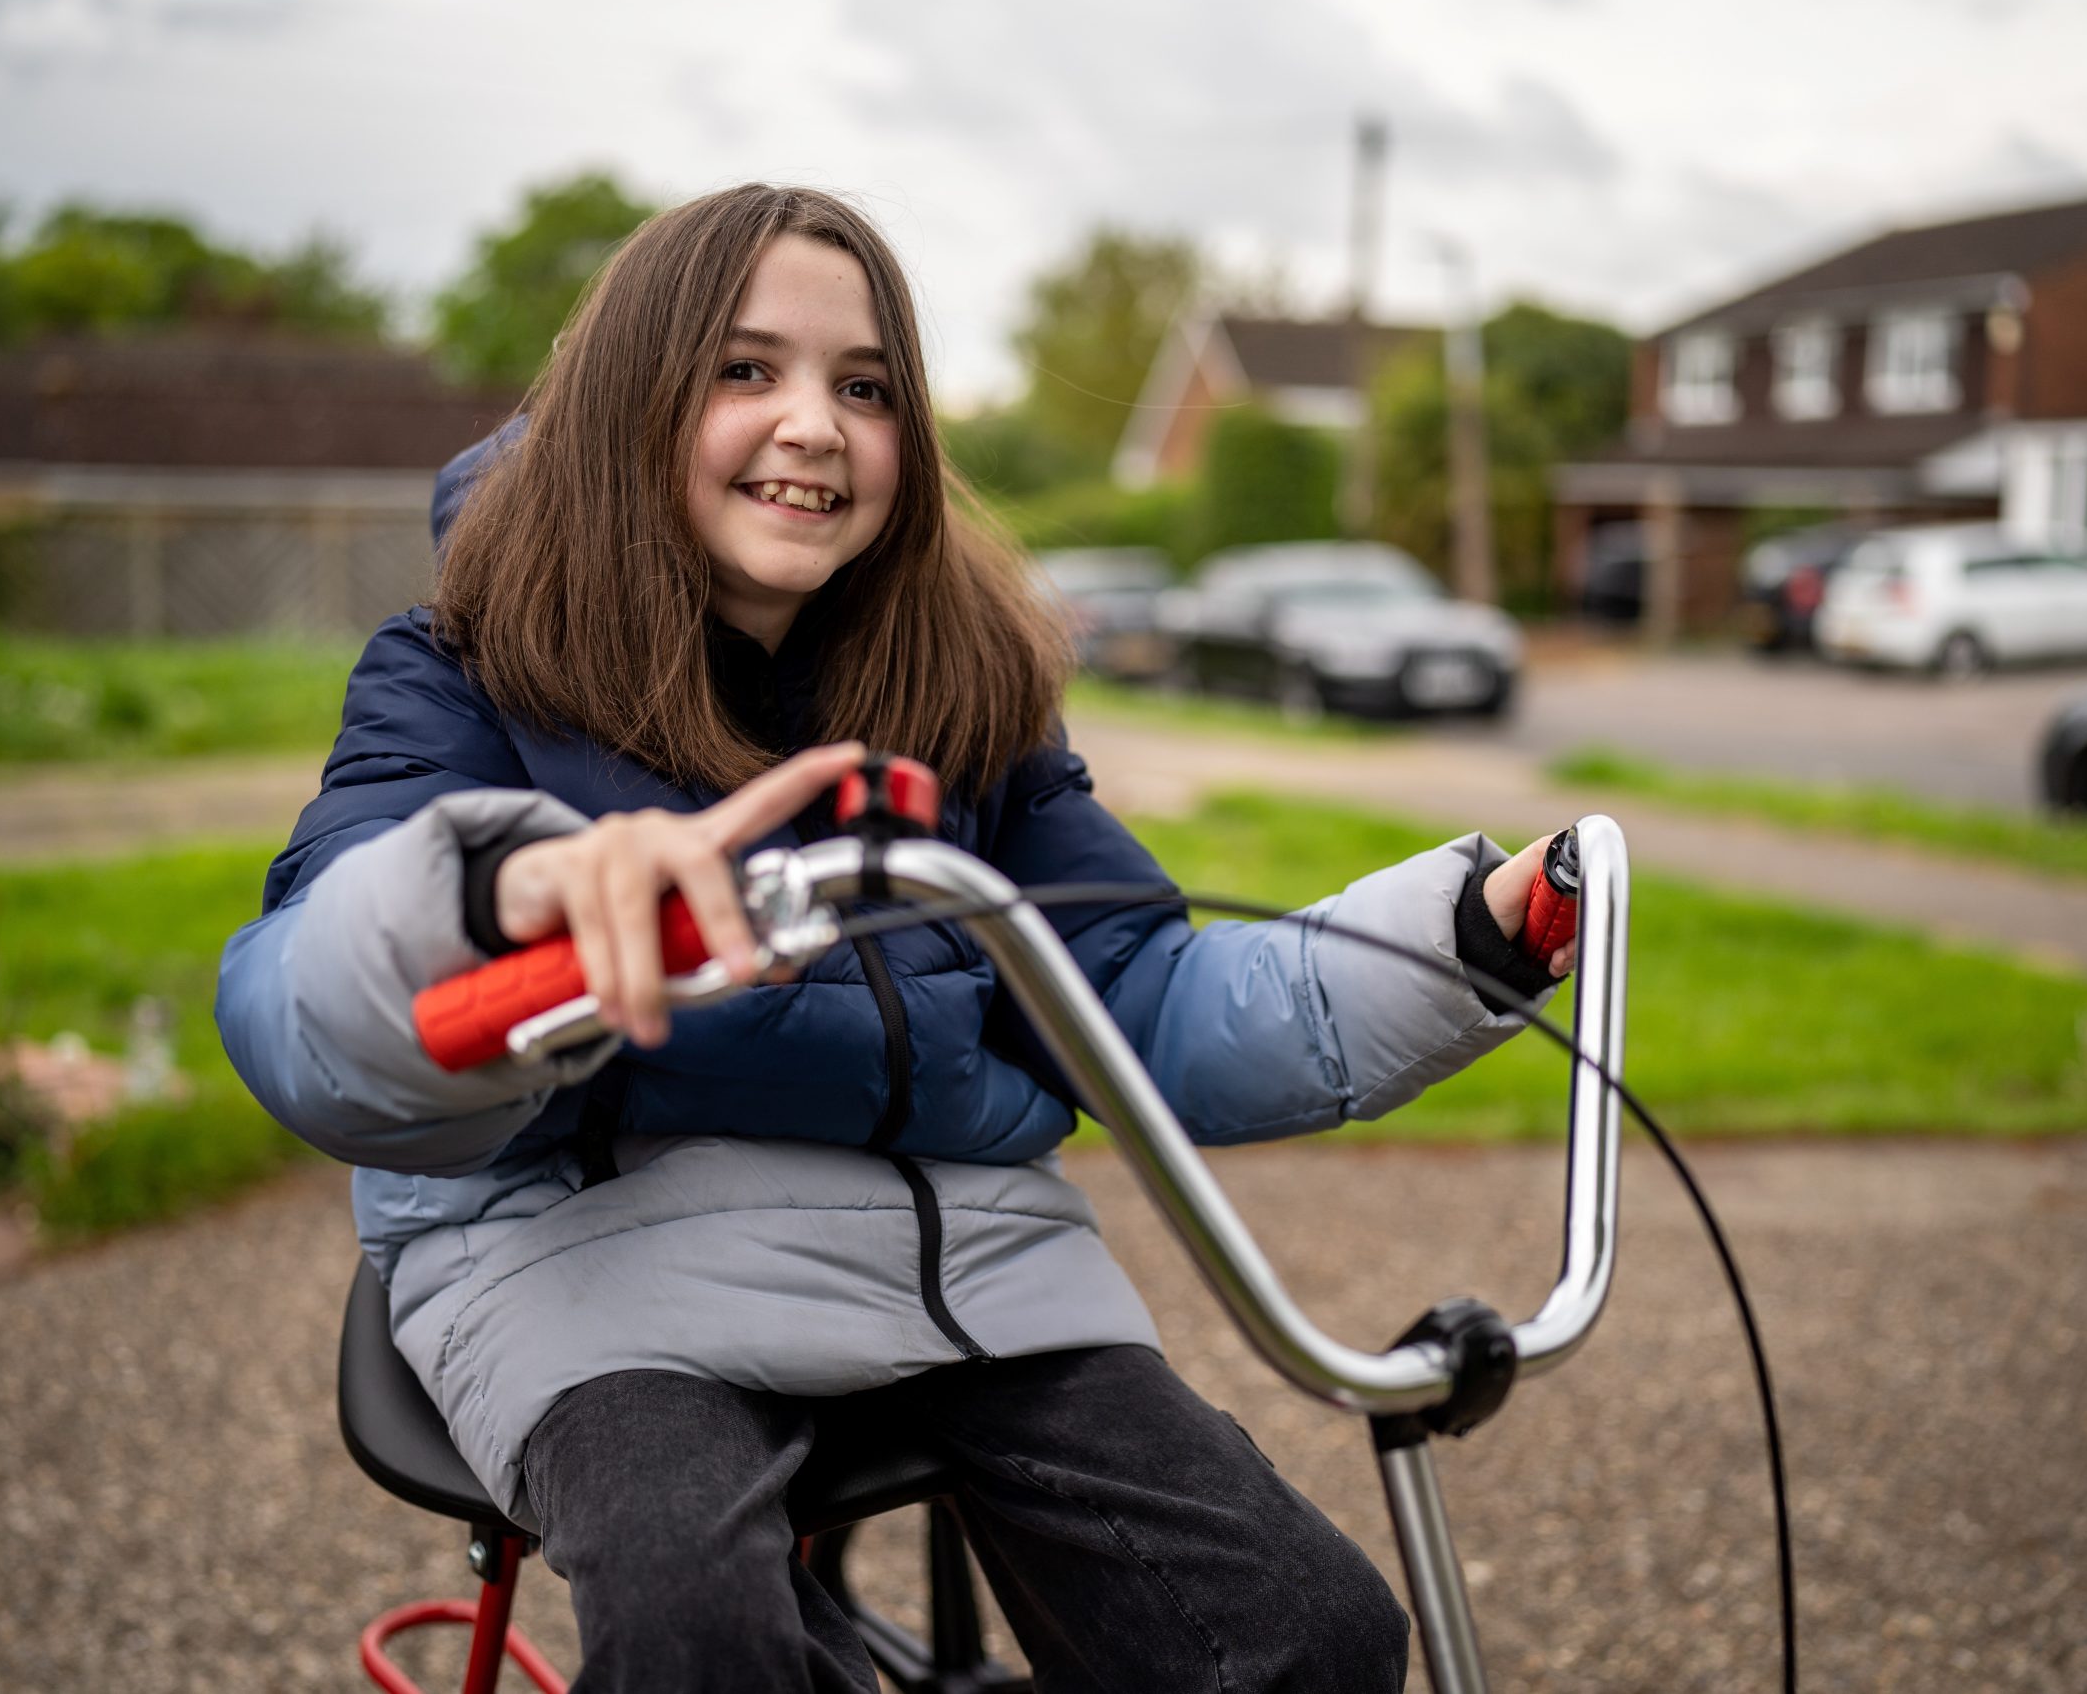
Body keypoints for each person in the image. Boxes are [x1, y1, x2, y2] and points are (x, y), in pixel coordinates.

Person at [216, 184, 1576, 1694]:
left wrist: (1458, 941)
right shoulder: (461, 666)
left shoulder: (964, 683)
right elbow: (300, 999)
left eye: (865, 387)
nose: (815, 425)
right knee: (704, 1643)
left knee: (1306, 1637)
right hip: (588, 1261)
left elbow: (1135, 997)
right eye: (747, 371)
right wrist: (491, 900)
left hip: (955, 1262)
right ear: (624, 403)